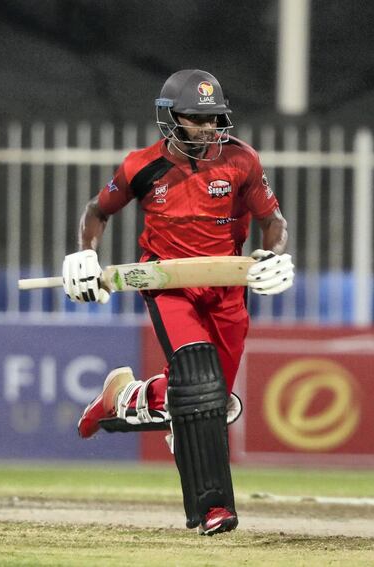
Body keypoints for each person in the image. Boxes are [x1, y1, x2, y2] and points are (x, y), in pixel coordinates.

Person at [64, 69, 294, 536]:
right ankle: (214, 510)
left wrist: (273, 255)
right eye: (195, 119)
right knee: (198, 392)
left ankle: (124, 398)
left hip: (227, 287)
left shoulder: (242, 160)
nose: (208, 129)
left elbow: (274, 222)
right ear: (170, 118)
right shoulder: (141, 166)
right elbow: (96, 212)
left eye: (213, 119)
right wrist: (85, 255)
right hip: (168, 283)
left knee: (213, 403)